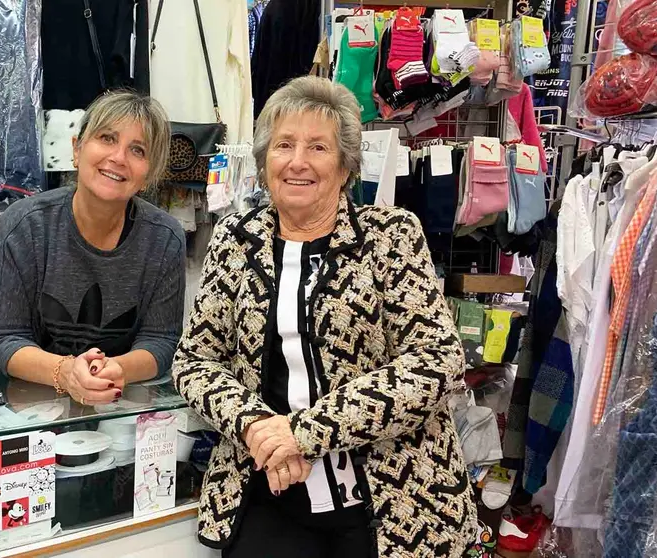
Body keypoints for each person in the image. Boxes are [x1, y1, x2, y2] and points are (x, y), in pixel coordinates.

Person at [173, 76, 476, 557]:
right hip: (270, 485)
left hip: (392, 498)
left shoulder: (390, 235)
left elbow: (436, 360)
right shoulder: (236, 236)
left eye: (318, 147)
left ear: (345, 166)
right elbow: (194, 362)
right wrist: (256, 427)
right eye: (284, 145)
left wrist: (305, 432)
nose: (297, 161)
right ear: (264, 159)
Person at [0, 90, 185, 406]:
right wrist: (66, 372)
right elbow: (5, 338)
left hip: (120, 410)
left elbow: (161, 341)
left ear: (149, 175)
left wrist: (117, 369)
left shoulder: (165, 239)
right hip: (30, 408)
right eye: (107, 138)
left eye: (138, 150)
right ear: (77, 149)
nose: (118, 157)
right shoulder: (23, 225)